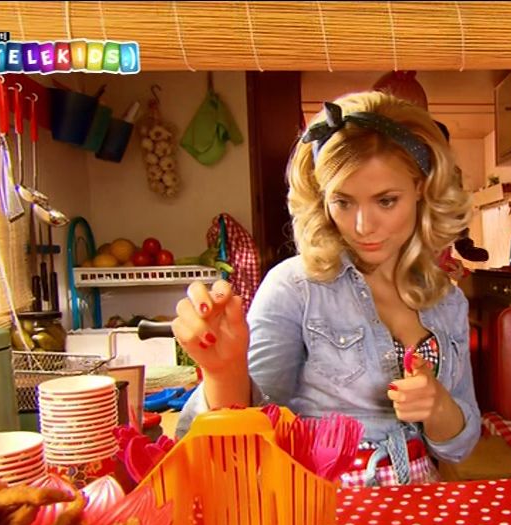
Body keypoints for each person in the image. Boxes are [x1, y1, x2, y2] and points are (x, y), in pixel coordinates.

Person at [172, 91, 482, 487]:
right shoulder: (296, 288)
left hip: (422, 502)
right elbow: (247, 438)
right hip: (323, 501)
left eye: (386, 201)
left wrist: (437, 406)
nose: (363, 226)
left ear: (421, 187)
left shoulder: (447, 300)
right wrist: (222, 369)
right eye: (343, 202)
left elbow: (460, 447)